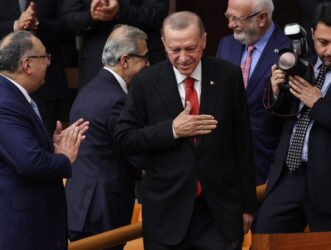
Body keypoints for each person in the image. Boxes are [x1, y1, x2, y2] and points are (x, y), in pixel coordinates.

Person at [114, 11, 257, 250]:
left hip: (218, 215)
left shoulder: (228, 76)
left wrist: (248, 207)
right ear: (163, 44)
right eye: (174, 50)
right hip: (166, 215)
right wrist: (171, 130)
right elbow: (124, 139)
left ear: (204, 40)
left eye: (190, 48)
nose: (183, 58)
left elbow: (242, 143)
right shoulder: (145, 83)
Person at [254, 2, 331, 233]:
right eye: (323, 42)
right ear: (313, 35)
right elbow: (272, 125)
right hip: (289, 176)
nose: (329, 51)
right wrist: (276, 93)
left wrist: (319, 104)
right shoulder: (300, 65)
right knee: (264, 238)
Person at [0, 31, 88, 250]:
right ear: (27, 64)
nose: (49, 63)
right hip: (22, 232)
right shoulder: (5, 101)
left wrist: (50, 147)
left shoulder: (14, 95)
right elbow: (29, 162)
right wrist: (63, 158)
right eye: (44, 57)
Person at [65, 24, 149, 248]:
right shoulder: (116, 99)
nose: (148, 64)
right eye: (144, 58)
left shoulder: (89, 88)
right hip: (100, 210)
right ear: (125, 61)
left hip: (80, 205)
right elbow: (135, 151)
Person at [216, 0, 290, 186]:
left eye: (236, 18)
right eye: (228, 16)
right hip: (225, 159)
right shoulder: (226, 44)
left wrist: (275, 94)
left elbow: (292, 110)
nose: (230, 24)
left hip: (264, 158)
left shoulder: (288, 50)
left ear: (262, 18)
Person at [61, 0, 169, 89]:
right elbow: (67, 21)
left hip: (145, 60)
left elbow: (158, 13)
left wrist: (120, 10)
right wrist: (91, 15)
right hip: (96, 62)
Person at [0, 0, 71, 135]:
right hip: (6, 83)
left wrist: (38, 23)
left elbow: (67, 27)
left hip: (47, 86)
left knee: (46, 142)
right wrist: (15, 25)